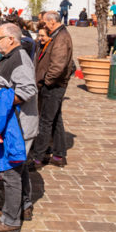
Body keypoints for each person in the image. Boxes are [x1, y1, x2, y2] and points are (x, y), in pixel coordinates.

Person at [0, 24, 38, 232]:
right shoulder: (11, 56)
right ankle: (23, 207)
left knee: (11, 172)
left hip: (18, 125)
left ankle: (11, 220)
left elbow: (27, 90)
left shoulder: (19, 59)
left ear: (12, 39)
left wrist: (1, 104)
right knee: (20, 168)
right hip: (13, 123)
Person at [29, 12, 74, 170]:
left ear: (52, 22)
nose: (44, 25)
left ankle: (38, 158)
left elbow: (58, 65)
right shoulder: (56, 35)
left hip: (54, 86)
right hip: (52, 84)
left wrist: (46, 82)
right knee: (55, 120)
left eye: (45, 22)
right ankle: (59, 154)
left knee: (46, 122)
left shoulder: (61, 37)